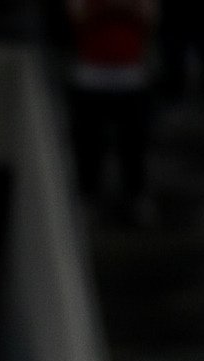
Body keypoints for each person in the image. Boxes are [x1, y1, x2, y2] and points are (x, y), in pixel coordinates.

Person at [66, 0, 159, 227]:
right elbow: (77, 15)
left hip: (131, 75)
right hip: (90, 75)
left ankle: (136, 195)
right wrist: (122, 8)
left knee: (133, 145)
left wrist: (105, 8)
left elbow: (149, 15)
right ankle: (88, 197)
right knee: (89, 145)